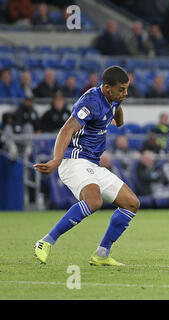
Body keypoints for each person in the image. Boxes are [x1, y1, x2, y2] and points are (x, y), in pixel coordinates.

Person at [33, 66, 140, 266]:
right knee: (94, 201)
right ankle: (45, 241)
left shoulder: (113, 99)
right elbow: (67, 129)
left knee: (131, 204)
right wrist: (56, 160)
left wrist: (119, 119)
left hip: (92, 164)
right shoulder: (90, 102)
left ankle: (102, 254)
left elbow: (116, 111)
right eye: (122, 89)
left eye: (127, 89)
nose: (125, 93)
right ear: (107, 88)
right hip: (74, 160)